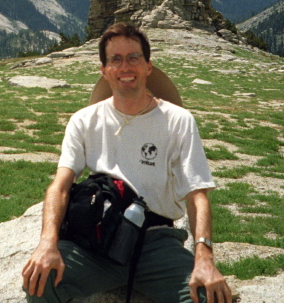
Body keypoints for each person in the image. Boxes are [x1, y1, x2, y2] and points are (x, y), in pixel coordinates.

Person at [22, 23, 232, 303]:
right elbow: (60, 186)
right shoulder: (84, 120)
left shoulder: (178, 120)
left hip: (156, 242)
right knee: (41, 281)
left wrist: (204, 256)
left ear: (148, 66)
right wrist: (48, 242)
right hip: (98, 237)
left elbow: (197, 194)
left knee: (208, 297)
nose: (125, 67)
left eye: (134, 57)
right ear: (104, 70)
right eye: (116, 60)